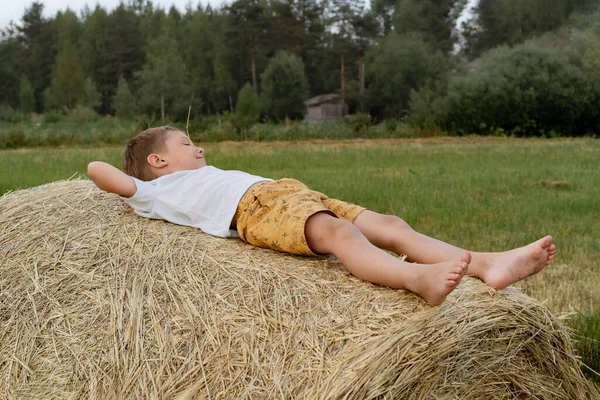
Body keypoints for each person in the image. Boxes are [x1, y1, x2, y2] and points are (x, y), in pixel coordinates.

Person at [88, 125, 556, 305]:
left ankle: (487, 264)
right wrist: (133, 177)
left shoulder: (190, 172)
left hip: (286, 191)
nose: (200, 147)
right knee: (340, 234)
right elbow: (100, 172)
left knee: (390, 225)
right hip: (256, 209)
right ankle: (416, 280)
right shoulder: (157, 190)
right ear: (158, 161)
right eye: (187, 144)